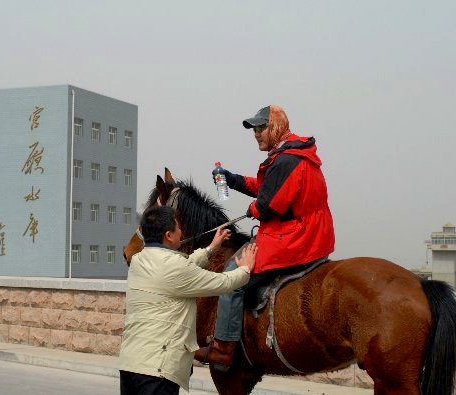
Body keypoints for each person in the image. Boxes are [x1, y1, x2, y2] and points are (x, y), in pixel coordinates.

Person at [194, 104, 335, 370]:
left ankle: (223, 349)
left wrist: (252, 209)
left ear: (277, 127)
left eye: (261, 128)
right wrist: (232, 179)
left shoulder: (286, 159)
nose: (256, 134)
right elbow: (265, 187)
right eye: (254, 129)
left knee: (232, 274)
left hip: (295, 237)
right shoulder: (289, 155)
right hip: (310, 233)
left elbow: (269, 204)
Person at [119, 205, 257, 395]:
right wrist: (245, 269)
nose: (182, 231)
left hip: (130, 364)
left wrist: (210, 249)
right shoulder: (175, 268)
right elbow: (223, 283)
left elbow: (180, 269)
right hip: (157, 370)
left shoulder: (138, 261)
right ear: (169, 235)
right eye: (178, 227)